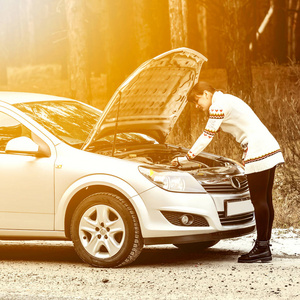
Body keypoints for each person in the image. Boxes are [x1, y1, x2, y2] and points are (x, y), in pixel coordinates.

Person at [171, 81, 284, 263]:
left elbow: (206, 136)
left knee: (258, 200)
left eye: (197, 100)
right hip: (268, 145)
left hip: (258, 149)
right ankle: (264, 246)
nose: (197, 106)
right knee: (266, 199)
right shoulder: (228, 99)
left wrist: (187, 158)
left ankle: (262, 247)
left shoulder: (217, 106)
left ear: (207, 94)